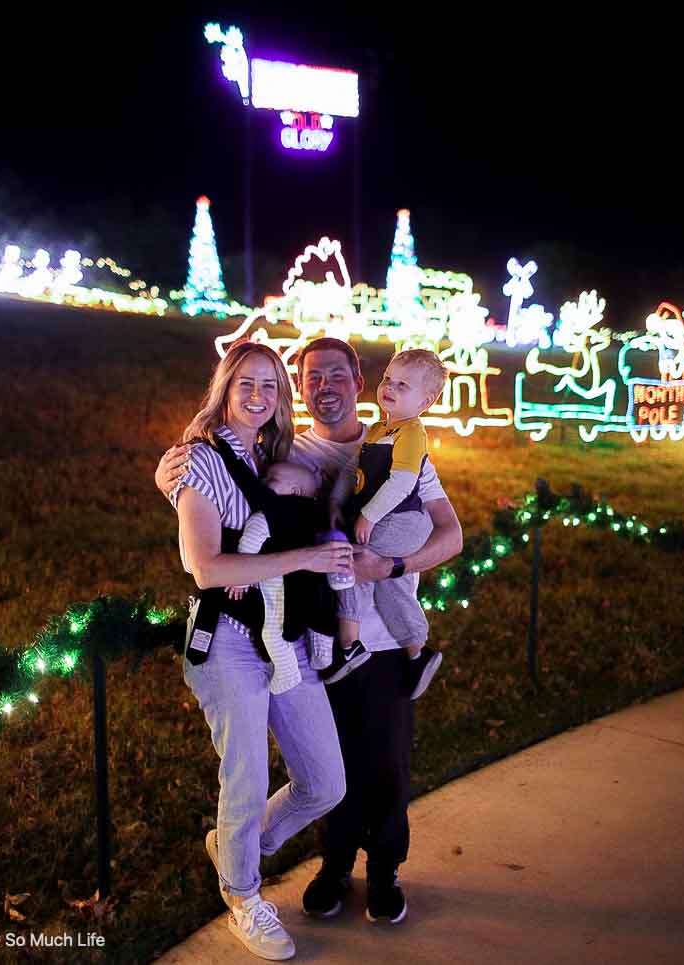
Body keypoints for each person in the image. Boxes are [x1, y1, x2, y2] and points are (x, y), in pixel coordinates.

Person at [156, 337, 462, 927]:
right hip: (317, 642)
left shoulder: (398, 447)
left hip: (381, 640)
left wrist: (391, 566)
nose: (324, 387)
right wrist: (168, 474)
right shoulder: (286, 452)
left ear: (357, 380)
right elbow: (226, 489)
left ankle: (384, 874)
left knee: (386, 768)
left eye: (335, 375)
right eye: (310, 377)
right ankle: (333, 868)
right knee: (328, 769)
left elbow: (451, 537)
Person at [172, 340, 351, 960]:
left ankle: (236, 843)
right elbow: (205, 566)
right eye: (245, 383)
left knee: (325, 781)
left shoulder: (275, 455)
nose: (256, 395)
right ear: (224, 387)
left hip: (287, 637)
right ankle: (244, 895)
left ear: (281, 399)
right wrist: (306, 556)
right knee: (245, 778)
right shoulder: (198, 460)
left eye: (270, 386)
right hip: (226, 639)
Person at [324, 349, 448, 700]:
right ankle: (416, 651)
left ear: (426, 400)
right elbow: (353, 470)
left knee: (350, 559)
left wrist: (367, 516)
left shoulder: (411, 433)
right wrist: (336, 499)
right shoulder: (381, 429)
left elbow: (402, 483)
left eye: (402, 385)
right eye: (387, 380)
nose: (389, 388)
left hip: (404, 519)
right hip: (390, 518)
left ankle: (349, 644)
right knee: (386, 582)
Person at [225, 460, 337, 694]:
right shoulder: (316, 513)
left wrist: (242, 577)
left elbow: (252, 538)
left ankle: (287, 671)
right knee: (319, 613)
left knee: (273, 629)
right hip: (314, 582)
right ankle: (323, 653)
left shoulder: (273, 511)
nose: (264, 482)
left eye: (271, 479)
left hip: (281, 584)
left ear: (294, 491)